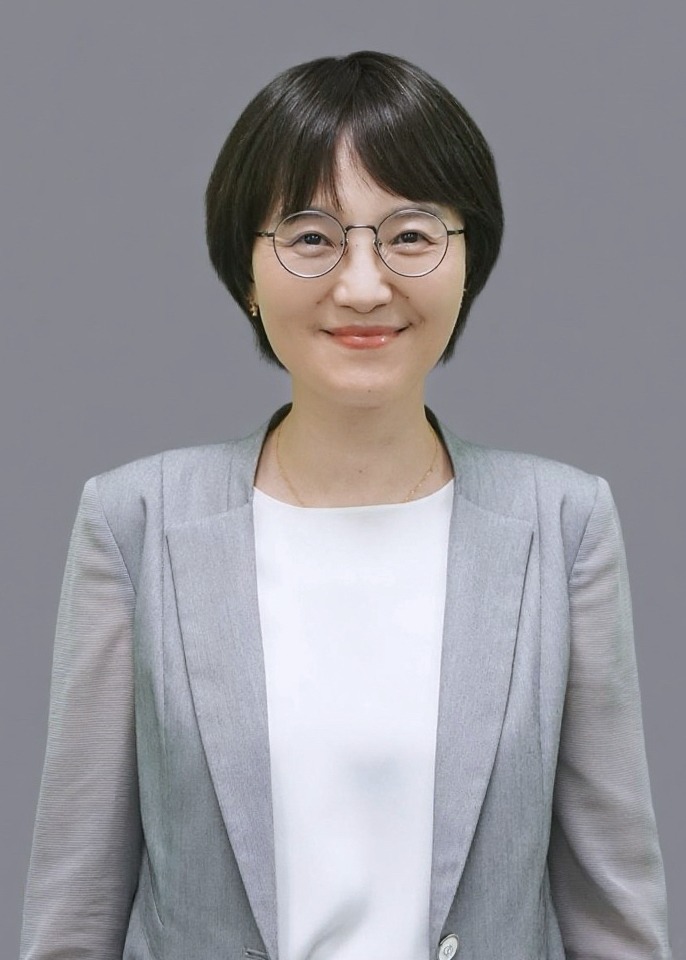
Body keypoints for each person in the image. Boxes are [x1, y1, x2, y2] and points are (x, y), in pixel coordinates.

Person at [19, 51, 671, 960]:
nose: (363, 286)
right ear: (246, 272)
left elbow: (616, 919)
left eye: (410, 235)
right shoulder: (136, 522)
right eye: (311, 237)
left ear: (468, 262)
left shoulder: (563, 524)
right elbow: (73, 915)